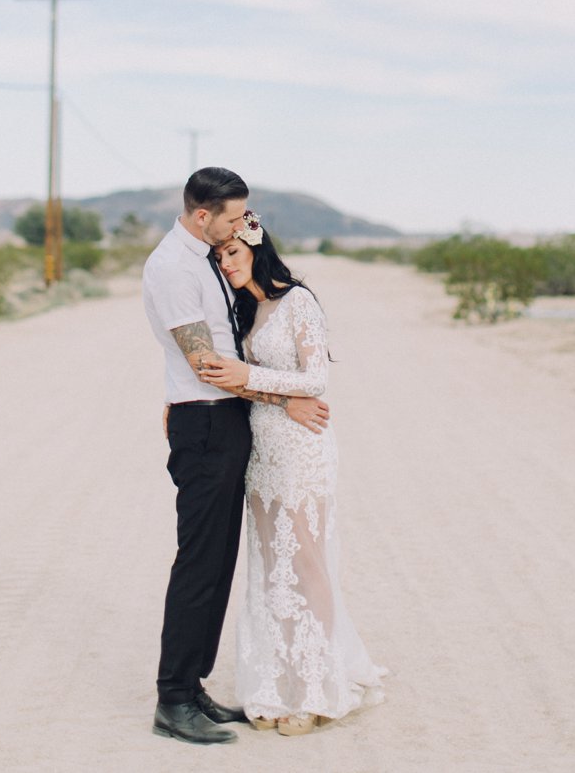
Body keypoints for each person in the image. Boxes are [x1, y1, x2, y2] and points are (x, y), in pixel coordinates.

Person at [143, 169, 330, 745]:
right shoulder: (174, 267)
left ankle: (193, 685)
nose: (241, 226)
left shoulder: (205, 257)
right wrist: (286, 398)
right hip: (205, 423)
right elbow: (205, 365)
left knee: (219, 560)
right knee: (199, 561)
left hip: (226, 420)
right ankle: (173, 698)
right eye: (232, 217)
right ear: (204, 216)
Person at [202, 210, 385, 735]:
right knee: (270, 566)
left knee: (305, 564)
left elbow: (316, 378)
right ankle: (273, 685)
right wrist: (275, 395)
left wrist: (256, 379)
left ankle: (313, 687)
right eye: (219, 257)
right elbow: (238, 382)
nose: (227, 263)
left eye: (232, 253)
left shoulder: (297, 301)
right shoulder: (242, 311)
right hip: (263, 449)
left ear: (256, 248)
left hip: (302, 447)